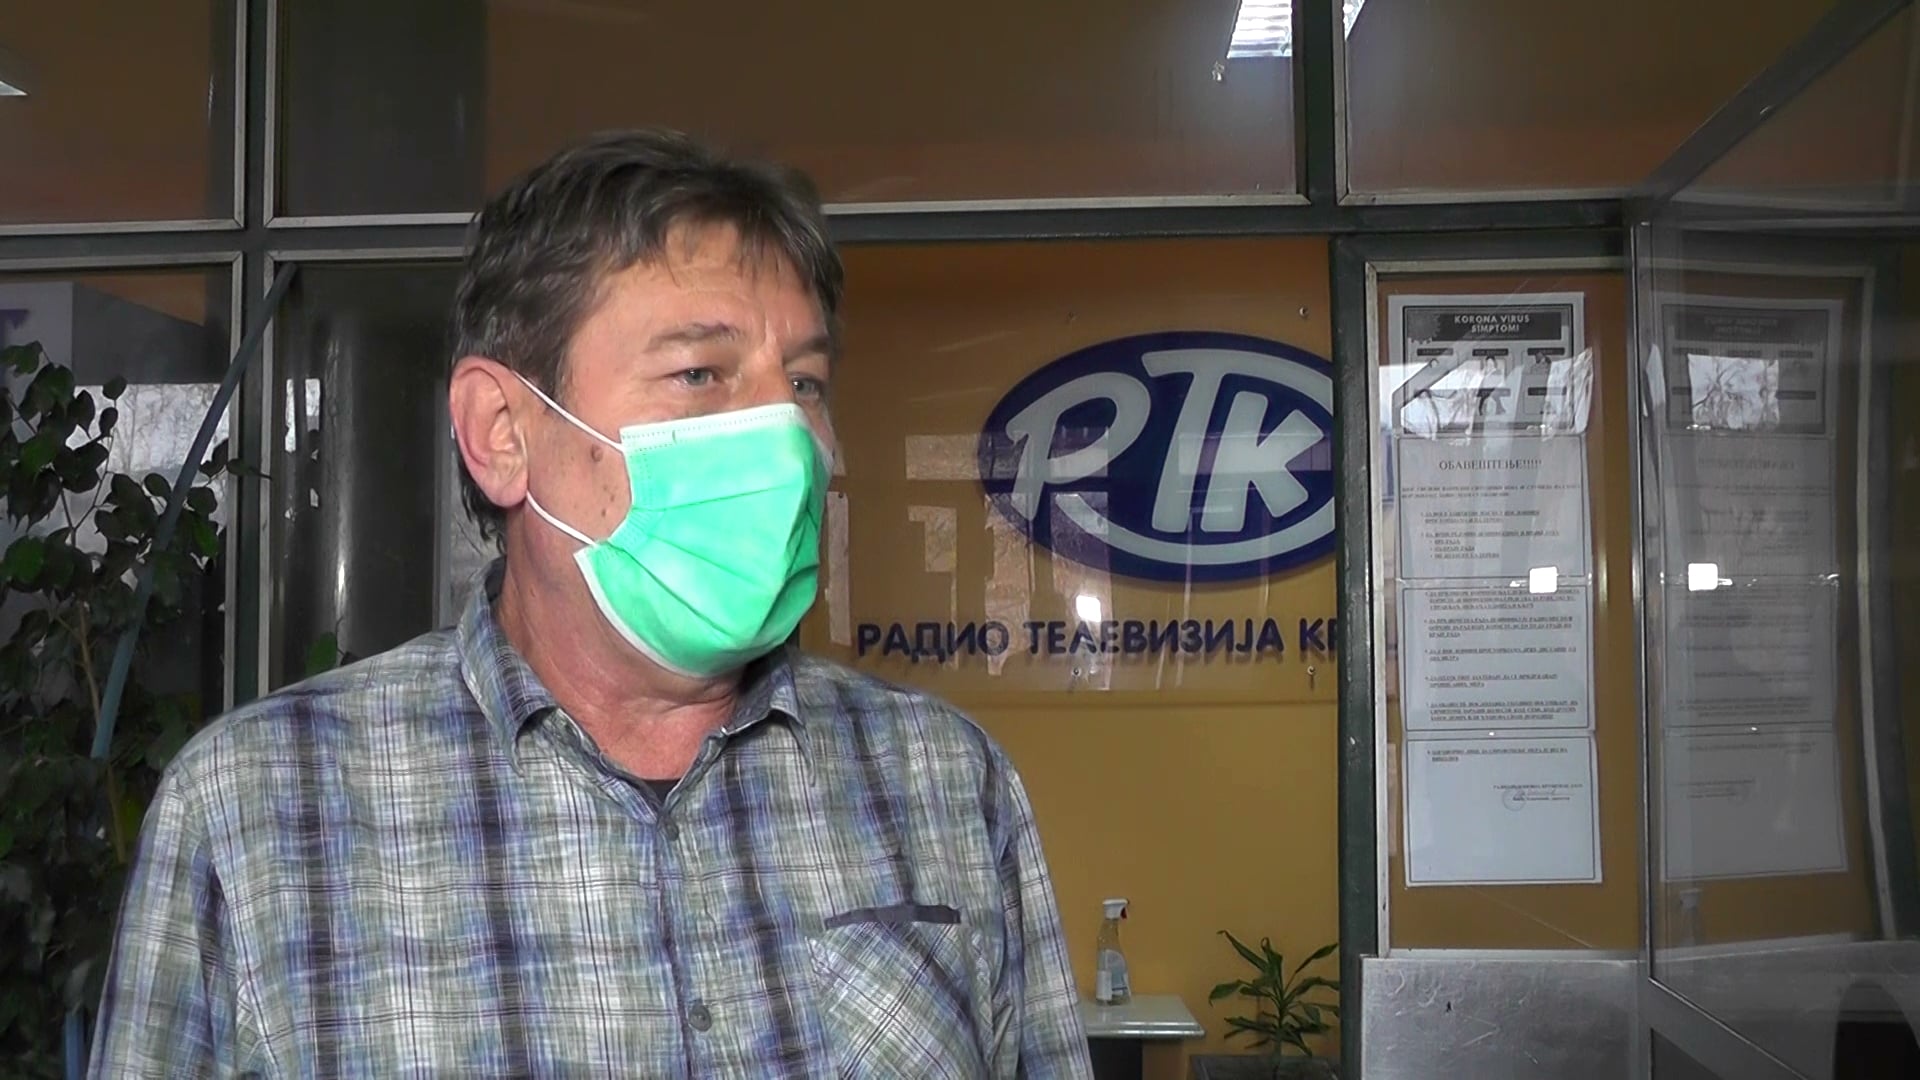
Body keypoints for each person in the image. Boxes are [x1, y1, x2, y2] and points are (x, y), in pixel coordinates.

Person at [90, 129, 1092, 1078]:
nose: (785, 437)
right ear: (501, 432)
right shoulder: (257, 812)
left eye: (805, 383)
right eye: (698, 373)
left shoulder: (944, 783)